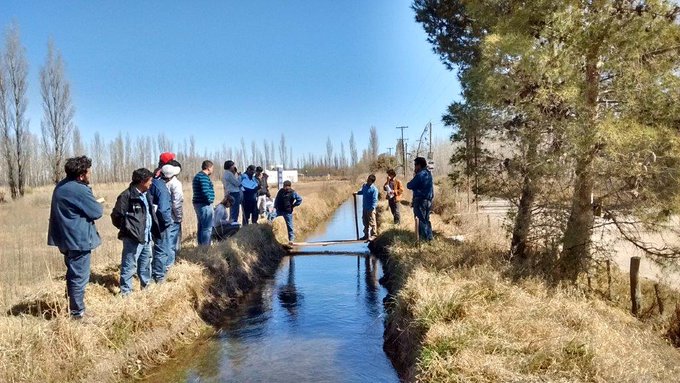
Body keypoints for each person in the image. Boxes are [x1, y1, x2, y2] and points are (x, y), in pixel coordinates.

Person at [48, 156, 103, 319]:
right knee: (79, 277)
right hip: (78, 240)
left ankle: (73, 307)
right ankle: (77, 314)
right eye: (88, 172)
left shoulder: (61, 186)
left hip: (64, 239)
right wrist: (97, 202)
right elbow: (96, 212)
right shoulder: (79, 189)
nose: (90, 174)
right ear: (81, 175)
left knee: (73, 275)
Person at [111, 168, 160, 296]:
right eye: (150, 181)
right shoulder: (126, 196)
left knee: (146, 264)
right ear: (143, 181)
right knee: (129, 265)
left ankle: (146, 288)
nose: (151, 183)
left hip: (146, 237)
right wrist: (129, 230)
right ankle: (126, 293)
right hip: (133, 238)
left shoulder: (146, 194)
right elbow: (116, 216)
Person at [149, 153, 174, 283]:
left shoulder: (153, 177)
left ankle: (156, 273)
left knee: (155, 248)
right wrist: (167, 221)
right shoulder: (160, 185)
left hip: (152, 218)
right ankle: (159, 276)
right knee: (161, 248)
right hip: (160, 221)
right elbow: (163, 208)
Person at [161, 159, 183, 269]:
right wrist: (179, 217)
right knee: (172, 242)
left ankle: (165, 264)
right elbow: (177, 203)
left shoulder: (160, 182)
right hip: (173, 217)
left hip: (163, 216)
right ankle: (170, 265)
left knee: (165, 241)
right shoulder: (176, 184)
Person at [407, 157, 434, 241]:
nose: (415, 167)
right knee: (426, 220)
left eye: (415, 165)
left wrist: (414, 176)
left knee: (420, 221)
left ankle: (424, 240)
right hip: (428, 201)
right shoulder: (429, 173)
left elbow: (409, 185)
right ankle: (429, 238)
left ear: (419, 165)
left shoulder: (420, 174)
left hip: (420, 201)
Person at [193, 160, 215, 246]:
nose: (213, 170)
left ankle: (201, 246)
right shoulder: (203, 177)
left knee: (201, 226)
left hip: (199, 203)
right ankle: (206, 248)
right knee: (207, 228)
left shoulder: (198, 176)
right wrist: (210, 200)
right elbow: (205, 192)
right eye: (212, 168)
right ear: (209, 168)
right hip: (204, 204)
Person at [354, 174, 379, 240]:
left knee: (372, 222)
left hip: (371, 209)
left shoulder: (374, 189)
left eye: (369, 180)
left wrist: (372, 208)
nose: (367, 181)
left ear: (372, 181)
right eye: (367, 179)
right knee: (365, 222)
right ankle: (366, 235)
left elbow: (375, 200)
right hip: (364, 208)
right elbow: (363, 192)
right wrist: (357, 193)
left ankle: (374, 235)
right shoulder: (364, 186)